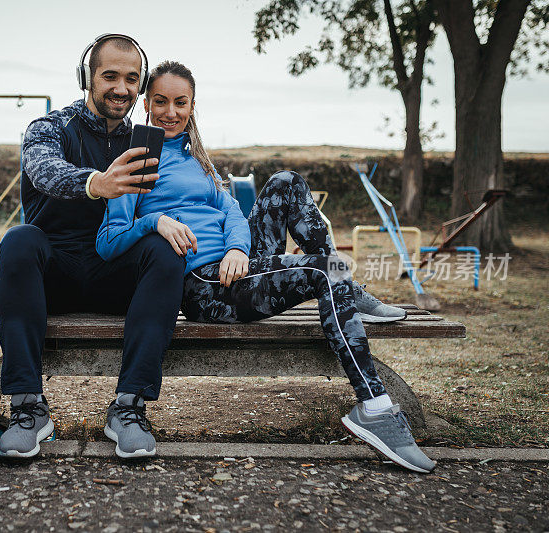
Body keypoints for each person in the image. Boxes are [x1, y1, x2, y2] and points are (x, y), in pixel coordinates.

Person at [96, 60, 435, 473]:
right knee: (324, 270)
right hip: (206, 285)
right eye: (161, 101)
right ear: (147, 104)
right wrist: (155, 222)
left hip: (236, 265)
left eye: (180, 102)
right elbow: (109, 242)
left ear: (192, 105)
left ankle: (348, 287)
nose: (171, 112)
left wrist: (238, 248)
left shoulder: (196, 159)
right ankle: (375, 408)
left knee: (286, 181)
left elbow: (233, 214)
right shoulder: (135, 160)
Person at [0, 34, 182, 459]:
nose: (122, 88)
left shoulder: (149, 139)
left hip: (115, 272)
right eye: (110, 75)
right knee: (19, 240)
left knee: (164, 249)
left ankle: (129, 408)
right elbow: (44, 171)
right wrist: (97, 183)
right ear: (87, 77)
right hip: (51, 278)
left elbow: (187, 192)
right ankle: (28, 409)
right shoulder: (49, 127)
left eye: (132, 79)